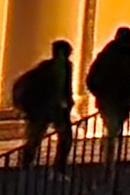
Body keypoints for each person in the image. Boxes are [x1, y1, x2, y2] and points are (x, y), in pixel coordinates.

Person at [83, 22, 130, 186]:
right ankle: (111, 162)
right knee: (116, 130)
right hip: (121, 100)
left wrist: (100, 94)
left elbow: (91, 78)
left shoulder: (106, 55)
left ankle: (108, 161)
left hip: (109, 100)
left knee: (112, 130)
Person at [11, 37, 79, 168]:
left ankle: (27, 162)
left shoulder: (46, 67)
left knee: (35, 137)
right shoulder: (62, 66)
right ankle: (58, 164)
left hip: (43, 109)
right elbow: (63, 88)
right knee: (63, 136)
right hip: (53, 108)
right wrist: (66, 102)